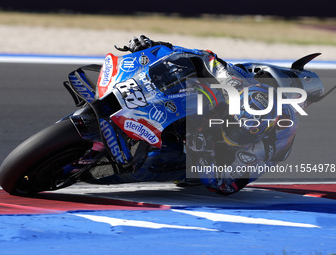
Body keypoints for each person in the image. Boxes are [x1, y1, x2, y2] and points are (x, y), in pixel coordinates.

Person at [126, 35, 298, 195]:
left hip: (214, 155)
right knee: (189, 76)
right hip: (226, 101)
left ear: (257, 134)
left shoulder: (256, 154)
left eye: (240, 130)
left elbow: (224, 185)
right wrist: (156, 47)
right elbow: (205, 57)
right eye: (232, 120)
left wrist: (204, 153)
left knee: (165, 161)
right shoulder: (234, 83)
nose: (232, 129)